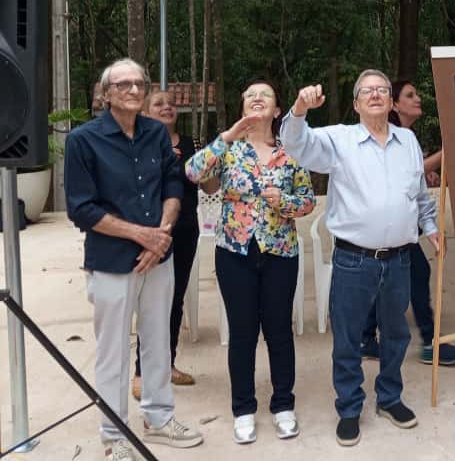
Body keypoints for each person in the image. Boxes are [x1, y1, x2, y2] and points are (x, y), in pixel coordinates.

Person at [280, 72, 440, 448]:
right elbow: (295, 144)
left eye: (382, 90)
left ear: (391, 102)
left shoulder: (408, 141)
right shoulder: (339, 139)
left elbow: (419, 192)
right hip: (354, 260)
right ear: (356, 104)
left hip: (400, 259)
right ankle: (350, 408)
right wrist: (300, 108)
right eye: (367, 91)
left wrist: (431, 226)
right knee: (349, 338)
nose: (375, 94)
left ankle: (389, 398)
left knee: (397, 334)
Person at [64, 59, 203, 460]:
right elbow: (80, 209)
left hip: (159, 257)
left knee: (158, 342)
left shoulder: (156, 133)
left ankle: (158, 419)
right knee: (113, 352)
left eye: (139, 83)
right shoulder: (83, 141)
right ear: (105, 93)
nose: (133, 89)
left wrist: (161, 233)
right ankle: (115, 434)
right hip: (111, 260)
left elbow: (173, 183)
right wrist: (141, 235)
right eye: (123, 84)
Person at [185, 78, 315, 444]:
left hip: (280, 253)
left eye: (265, 95)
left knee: (279, 331)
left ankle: (283, 405)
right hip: (235, 254)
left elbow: (308, 200)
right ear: (242, 107)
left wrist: (284, 202)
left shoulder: (291, 152)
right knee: (242, 334)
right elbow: (193, 172)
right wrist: (228, 135)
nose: (257, 99)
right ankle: (243, 409)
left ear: (277, 110)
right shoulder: (229, 150)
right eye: (250, 96)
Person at [361, 80, 455, 367]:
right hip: (385, 229)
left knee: (395, 278)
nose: (417, 98)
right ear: (394, 104)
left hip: (400, 229)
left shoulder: (407, 137)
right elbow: (410, 171)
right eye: (410, 95)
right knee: (415, 274)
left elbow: (414, 175)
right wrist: (447, 153)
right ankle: (429, 343)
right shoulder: (388, 135)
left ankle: (366, 338)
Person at [131, 90, 200, 402]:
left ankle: (168, 364)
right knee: (150, 302)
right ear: (145, 113)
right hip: (152, 232)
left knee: (175, 299)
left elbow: (205, 183)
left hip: (185, 229)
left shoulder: (190, 144)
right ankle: (141, 371)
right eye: (159, 103)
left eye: (171, 103)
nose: (167, 106)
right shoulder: (139, 145)